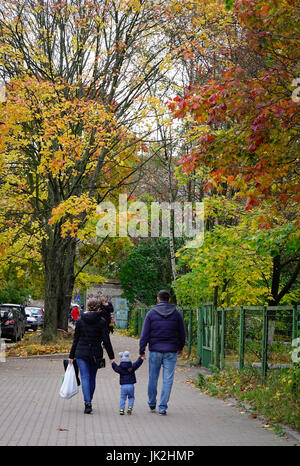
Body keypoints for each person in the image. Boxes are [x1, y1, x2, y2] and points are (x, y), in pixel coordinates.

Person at [139, 290, 186, 415]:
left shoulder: (151, 313)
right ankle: (163, 407)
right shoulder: (176, 314)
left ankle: (152, 402)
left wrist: (141, 350)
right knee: (168, 379)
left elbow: (144, 334)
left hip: (155, 350)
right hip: (171, 351)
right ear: (169, 299)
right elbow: (182, 333)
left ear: (158, 299)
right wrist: (180, 347)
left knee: (153, 377)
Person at [69, 297, 115, 414]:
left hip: (81, 353)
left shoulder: (80, 320)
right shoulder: (102, 321)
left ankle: (87, 402)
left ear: (88, 306)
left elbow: (76, 339)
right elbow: (106, 341)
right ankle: (89, 400)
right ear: (98, 307)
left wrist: (71, 355)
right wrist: (111, 357)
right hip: (96, 353)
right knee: (92, 378)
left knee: (84, 377)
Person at [111, 351, 143, 415]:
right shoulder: (131, 367)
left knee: (123, 398)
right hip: (131, 386)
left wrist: (113, 363)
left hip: (123, 386)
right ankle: (130, 407)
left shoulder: (120, 368)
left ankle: (121, 409)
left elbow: (116, 368)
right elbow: (137, 364)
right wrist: (140, 359)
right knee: (131, 397)